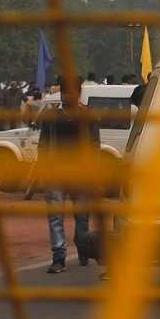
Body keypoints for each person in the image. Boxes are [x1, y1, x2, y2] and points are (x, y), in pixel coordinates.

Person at [40, 78, 100, 273]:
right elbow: (43, 145)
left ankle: (83, 248)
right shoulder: (51, 117)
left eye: (73, 92)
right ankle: (59, 257)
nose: (69, 96)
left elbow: (95, 146)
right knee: (55, 217)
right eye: (66, 93)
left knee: (82, 217)